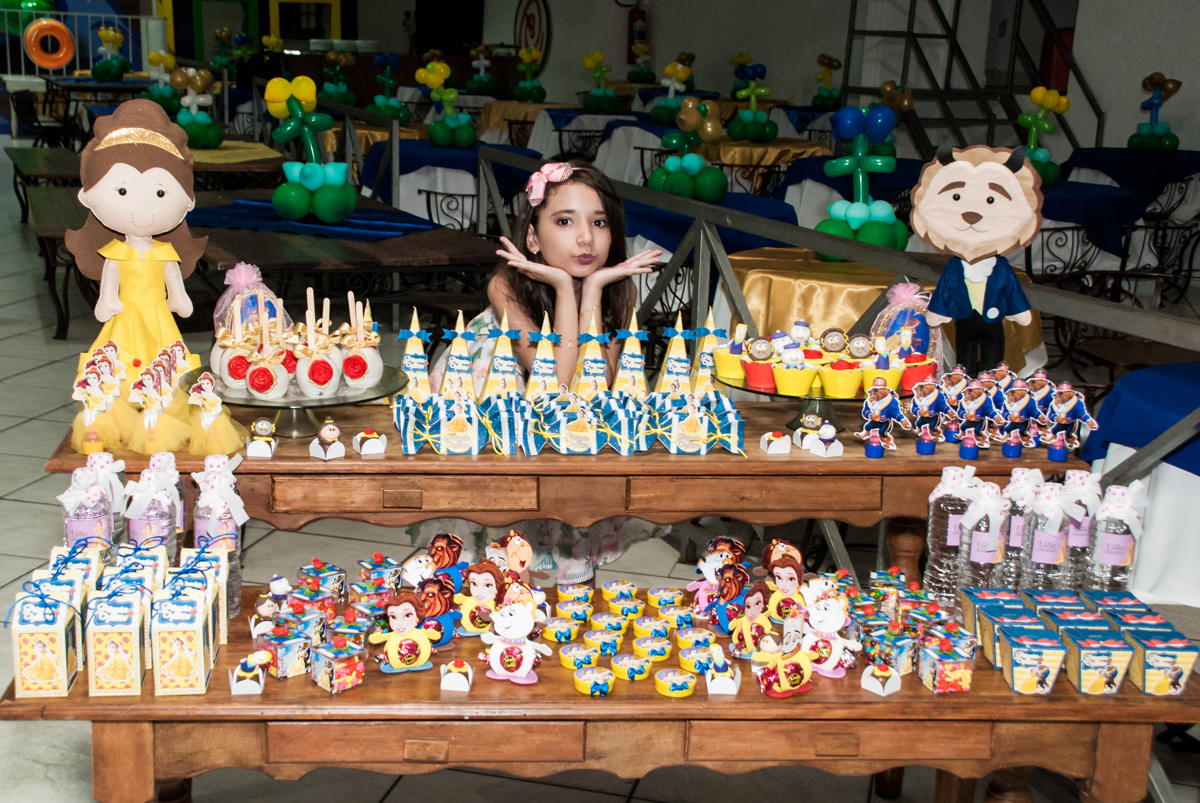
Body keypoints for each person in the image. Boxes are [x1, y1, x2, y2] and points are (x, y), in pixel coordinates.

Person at [422, 162, 670, 583]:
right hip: (499, 421)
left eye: (599, 222)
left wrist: (590, 291)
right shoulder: (506, 286)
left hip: (565, 427)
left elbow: (587, 387)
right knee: (497, 566)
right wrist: (560, 286)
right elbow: (554, 380)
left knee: (568, 526)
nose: (585, 238)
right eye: (564, 221)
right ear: (533, 238)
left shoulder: (617, 288)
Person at [66, 100, 205, 386]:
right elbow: (110, 285)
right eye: (123, 190)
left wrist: (178, 298)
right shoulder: (115, 255)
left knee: (165, 363)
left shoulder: (166, 253)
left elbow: (174, 285)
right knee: (120, 366)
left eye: (159, 193)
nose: (142, 208)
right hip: (126, 317)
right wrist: (107, 299)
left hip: (158, 316)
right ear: (87, 196)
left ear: (188, 201)